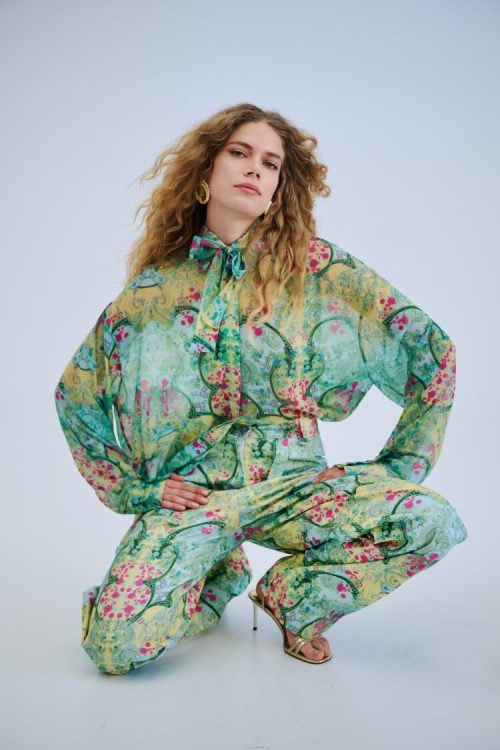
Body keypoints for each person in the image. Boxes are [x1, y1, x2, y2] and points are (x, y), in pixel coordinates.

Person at [53, 102, 468, 675]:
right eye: (240, 153)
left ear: (278, 188)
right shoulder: (152, 292)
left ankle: (295, 600)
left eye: (271, 163)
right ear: (206, 171)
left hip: (295, 489)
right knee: (114, 650)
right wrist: (139, 491)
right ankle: (216, 573)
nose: (255, 168)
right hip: (195, 501)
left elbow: (431, 351)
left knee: (431, 521)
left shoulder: (317, 268)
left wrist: (395, 469)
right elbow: (76, 396)